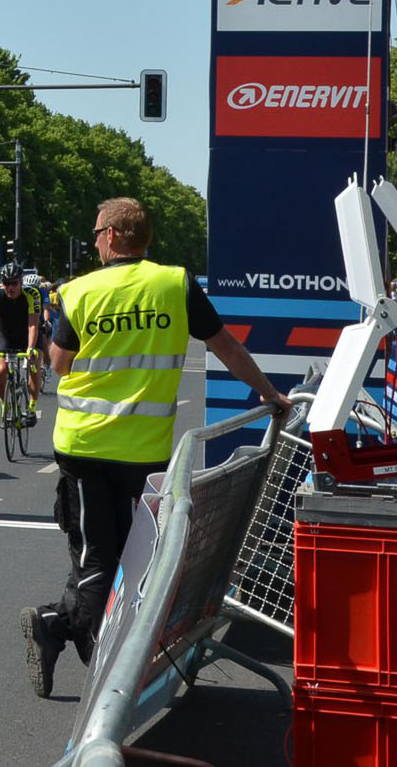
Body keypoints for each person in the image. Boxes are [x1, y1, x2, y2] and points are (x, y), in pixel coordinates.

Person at [22, 197, 293, 698]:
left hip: (84, 446)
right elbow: (226, 345)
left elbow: (59, 364)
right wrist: (269, 393)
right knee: (129, 558)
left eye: (96, 233)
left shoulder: (79, 291)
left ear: (110, 235)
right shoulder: (176, 284)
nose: (94, 241)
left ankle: (68, 637)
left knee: (97, 557)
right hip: (145, 454)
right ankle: (67, 631)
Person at [0, 263, 42, 426]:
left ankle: (32, 407)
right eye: (6, 283)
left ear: (21, 282)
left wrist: (31, 348)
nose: (10, 287)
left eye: (14, 283)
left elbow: (33, 324)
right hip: (6, 334)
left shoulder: (32, 293)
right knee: (0, 371)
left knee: (35, 364)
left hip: (27, 334)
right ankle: (5, 403)